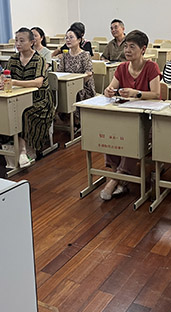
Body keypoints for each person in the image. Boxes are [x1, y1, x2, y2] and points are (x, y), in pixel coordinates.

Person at [101, 30, 161, 200]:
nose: (127, 50)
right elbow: (110, 89)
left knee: (131, 137)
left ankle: (115, 179)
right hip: (126, 117)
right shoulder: (121, 68)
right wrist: (108, 91)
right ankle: (120, 176)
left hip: (147, 120)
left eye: (132, 47)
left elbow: (156, 94)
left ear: (143, 49)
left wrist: (136, 93)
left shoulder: (151, 67)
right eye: (126, 46)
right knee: (110, 135)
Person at [0, 27, 55, 168]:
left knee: (24, 113)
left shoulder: (39, 59)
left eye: (22, 40)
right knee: (2, 112)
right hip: (17, 97)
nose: (18, 44)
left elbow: (38, 83)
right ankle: (10, 145)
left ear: (31, 42)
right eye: (16, 40)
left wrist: (14, 82)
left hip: (39, 99)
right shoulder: (14, 58)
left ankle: (23, 150)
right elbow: (5, 74)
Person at [57, 23, 95, 126]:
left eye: (71, 37)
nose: (68, 40)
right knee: (57, 92)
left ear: (79, 40)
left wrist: (76, 85)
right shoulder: (65, 56)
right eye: (66, 38)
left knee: (75, 93)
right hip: (68, 85)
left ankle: (76, 121)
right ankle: (66, 121)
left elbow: (88, 74)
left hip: (83, 87)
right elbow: (59, 72)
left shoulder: (85, 55)